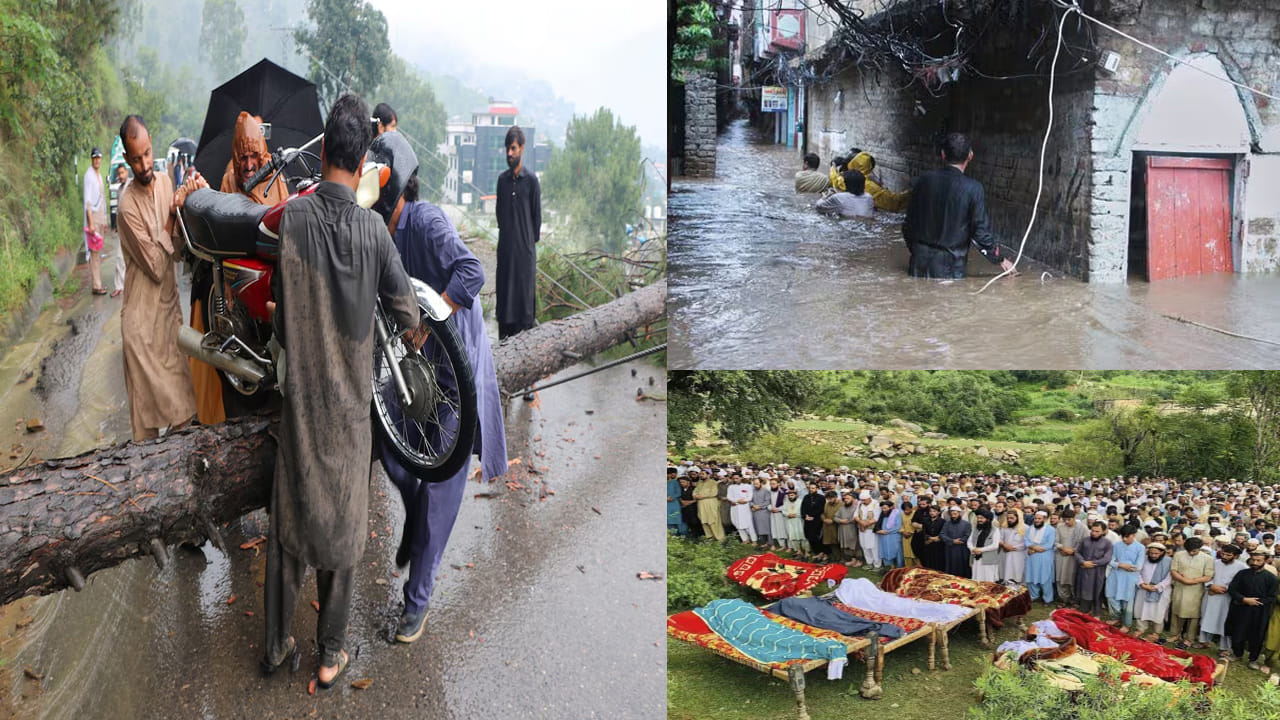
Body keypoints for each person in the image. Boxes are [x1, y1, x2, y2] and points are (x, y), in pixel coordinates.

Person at [260, 94, 420, 687]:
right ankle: (331, 655)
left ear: (324, 151)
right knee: (344, 529)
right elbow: (406, 313)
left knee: (289, 527)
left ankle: (276, 648)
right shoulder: (376, 233)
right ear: (361, 165)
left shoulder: (294, 220)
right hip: (352, 412)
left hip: (299, 406)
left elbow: (278, 320)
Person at [367, 129, 509, 642]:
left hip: (455, 366)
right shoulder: (382, 233)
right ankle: (411, 506)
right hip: (415, 365)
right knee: (385, 433)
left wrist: (433, 319)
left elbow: (472, 273)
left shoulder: (424, 222)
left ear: (396, 187)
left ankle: (417, 602)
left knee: (443, 485)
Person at [115, 116, 202, 441]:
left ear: (152, 145)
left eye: (148, 154)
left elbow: (177, 251)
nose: (144, 164)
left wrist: (188, 204)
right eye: (136, 158)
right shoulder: (127, 207)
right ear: (126, 158)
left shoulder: (166, 182)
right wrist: (169, 216)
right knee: (147, 432)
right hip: (140, 328)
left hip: (168, 320)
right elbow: (153, 263)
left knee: (184, 414)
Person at [901, 132, 1016, 279]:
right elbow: (979, 231)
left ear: (942, 154)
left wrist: (916, 251)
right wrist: (999, 258)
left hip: (918, 265)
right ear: (970, 156)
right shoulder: (974, 188)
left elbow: (908, 224)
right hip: (951, 269)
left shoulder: (922, 181)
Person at [494, 125, 541, 340]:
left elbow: (536, 220)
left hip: (524, 259)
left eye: (513, 148)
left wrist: (524, 245)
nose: (509, 153)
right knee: (504, 314)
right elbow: (500, 217)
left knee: (524, 317)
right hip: (505, 256)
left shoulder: (531, 182)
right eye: (507, 149)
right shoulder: (502, 182)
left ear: (522, 148)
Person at [220, 112, 290, 206]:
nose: (249, 166)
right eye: (243, 158)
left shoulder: (275, 178)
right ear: (236, 159)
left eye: (253, 156)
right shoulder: (229, 181)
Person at [1228, 549, 1279, 671]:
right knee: (1238, 631)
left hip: (1260, 612)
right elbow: (1232, 589)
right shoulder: (1242, 574)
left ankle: (1253, 659)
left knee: (1256, 635)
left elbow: (1272, 597)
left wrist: (1256, 602)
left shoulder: (1272, 578)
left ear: (1265, 561)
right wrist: (1244, 599)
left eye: (1258, 560)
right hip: (1241, 608)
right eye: (1253, 560)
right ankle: (1237, 654)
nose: (1255, 563)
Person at [1168, 535, 1214, 648]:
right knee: (1176, 611)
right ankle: (1175, 634)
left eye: (1194, 551)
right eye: (1189, 551)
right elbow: (1173, 570)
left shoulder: (1208, 558)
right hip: (1180, 586)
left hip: (1196, 590)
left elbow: (1208, 576)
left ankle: (1189, 638)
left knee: (1194, 615)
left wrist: (1192, 581)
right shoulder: (1179, 555)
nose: (1191, 553)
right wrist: (1183, 579)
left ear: (1200, 548)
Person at [1131, 542, 1173, 642]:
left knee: (1159, 611)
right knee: (1141, 608)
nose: (1153, 556)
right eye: (1151, 553)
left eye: (1156, 554)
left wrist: (1157, 587)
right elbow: (1137, 572)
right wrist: (1142, 584)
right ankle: (1141, 628)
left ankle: (1156, 632)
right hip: (1143, 588)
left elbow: (1170, 577)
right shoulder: (1143, 559)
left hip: (1161, 591)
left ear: (1162, 553)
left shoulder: (1169, 561)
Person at [1106, 525, 1144, 629]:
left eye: (1127, 536)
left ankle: (1126, 624)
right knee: (1111, 596)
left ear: (1134, 535)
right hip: (1115, 575)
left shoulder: (1140, 548)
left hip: (1129, 578)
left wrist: (1120, 564)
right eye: (1123, 536)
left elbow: (1138, 566)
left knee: (1127, 600)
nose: (1124, 539)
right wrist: (1121, 565)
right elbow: (1110, 561)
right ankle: (1115, 618)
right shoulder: (1117, 545)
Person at [83, 147, 108, 295]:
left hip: (100, 215)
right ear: (91, 159)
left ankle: (98, 282)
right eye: (94, 158)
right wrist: (91, 223)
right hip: (93, 215)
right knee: (94, 252)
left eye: (99, 158)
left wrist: (104, 221)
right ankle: (96, 285)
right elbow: (88, 201)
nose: (97, 160)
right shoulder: (88, 176)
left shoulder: (98, 175)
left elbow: (102, 199)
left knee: (98, 251)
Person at [1076, 521, 1114, 617]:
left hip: (1098, 572)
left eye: (1097, 531)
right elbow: (1077, 552)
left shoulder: (1107, 543)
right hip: (1084, 570)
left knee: (1097, 591)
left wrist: (1092, 563)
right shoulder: (1085, 540)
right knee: (1084, 590)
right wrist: (1083, 562)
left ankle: (1097, 613)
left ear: (1103, 531)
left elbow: (1107, 558)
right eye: (1092, 530)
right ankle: (1084, 611)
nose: (1094, 533)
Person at [1054, 509, 1085, 606]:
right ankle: (1063, 599)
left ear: (1074, 517)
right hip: (1061, 556)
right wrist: (1062, 548)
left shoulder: (1082, 528)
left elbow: (1085, 543)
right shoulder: (1059, 527)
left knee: (1073, 578)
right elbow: (1055, 541)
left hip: (1075, 558)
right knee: (1061, 577)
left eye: (1069, 519)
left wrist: (1073, 551)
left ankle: (1075, 600)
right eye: (1065, 520)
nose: (1067, 522)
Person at [1025, 511, 1056, 604]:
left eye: (1039, 519)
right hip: (1031, 557)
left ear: (1045, 519)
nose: (1037, 520)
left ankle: (1048, 599)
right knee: (1031, 576)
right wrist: (1031, 547)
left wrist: (1033, 549)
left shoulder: (1050, 530)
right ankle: (1033, 596)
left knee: (1045, 577)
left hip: (1044, 556)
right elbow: (1026, 540)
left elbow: (1049, 544)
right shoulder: (1030, 528)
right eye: (1036, 518)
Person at [108, 164, 128, 298]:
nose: (120, 176)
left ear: (127, 172)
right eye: (119, 174)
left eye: (122, 173)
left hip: (131, 230)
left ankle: (123, 286)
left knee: (126, 258)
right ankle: (119, 286)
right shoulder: (120, 189)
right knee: (120, 258)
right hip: (123, 230)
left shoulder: (131, 187)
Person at [940, 505, 972, 578]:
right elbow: (942, 534)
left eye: (955, 513)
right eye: (952, 513)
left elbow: (968, 535)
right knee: (951, 565)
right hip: (950, 548)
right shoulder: (947, 523)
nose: (953, 515)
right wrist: (952, 541)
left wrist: (960, 541)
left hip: (962, 549)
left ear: (959, 513)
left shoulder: (966, 524)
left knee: (962, 565)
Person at [969, 509, 1000, 582]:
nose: (979, 520)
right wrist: (972, 549)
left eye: (982, 518)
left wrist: (980, 550)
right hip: (976, 558)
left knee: (988, 579)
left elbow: (995, 545)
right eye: (978, 518)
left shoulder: (995, 530)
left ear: (988, 519)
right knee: (976, 578)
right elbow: (969, 541)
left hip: (988, 560)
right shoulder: (975, 529)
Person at [693, 471, 725, 541]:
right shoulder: (699, 483)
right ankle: (710, 537)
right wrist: (695, 495)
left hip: (710, 503)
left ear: (708, 475)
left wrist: (701, 496)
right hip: (701, 504)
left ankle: (720, 538)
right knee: (704, 520)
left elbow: (714, 493)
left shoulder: (713, 483)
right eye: (700, 474)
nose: (701, 475)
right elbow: (695, 491)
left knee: (713, 520)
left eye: (703, 474)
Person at [998, 509, 1028, 586]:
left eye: (1012, 518)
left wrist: (1013, 548)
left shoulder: (1026, 528)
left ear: (1018, 518)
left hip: (1019, 555)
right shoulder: (1004, 527)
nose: (1009, 520)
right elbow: (999, 539)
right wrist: (1004, 545)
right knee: (1006, 574)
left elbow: (1026, 542)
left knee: (1018, 574)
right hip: (1005, 553)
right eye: (1008, 518)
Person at [855, 490, 881, 568]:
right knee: (864, 546)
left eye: (864, 500)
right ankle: (869, 563)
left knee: (873, 547)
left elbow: (876, 518)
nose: (863, 501)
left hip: (871, 529)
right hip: (862, 529)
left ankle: (877, 564)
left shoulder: (876, 504)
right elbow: (855, 515)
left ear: (869, 498)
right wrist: (861, 522)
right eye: (862, 500)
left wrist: (865, 524)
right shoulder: (860, 504)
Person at [801, 483, 827, 560]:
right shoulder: (806, 497)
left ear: (817, 489)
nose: (811, 489)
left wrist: (813, 516)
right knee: (809, 536)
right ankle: (815, 552)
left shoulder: (821, 497)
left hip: (817, 520)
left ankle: (820, 552)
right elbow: (803, 507)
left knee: (816, 537)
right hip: (807, 520)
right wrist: (805, 516)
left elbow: (821, 509)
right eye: (810, 488)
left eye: (813, 488)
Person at [876, 498, 903, 569]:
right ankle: (891, 567)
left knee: (897, 552)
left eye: (885, 508)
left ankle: (899, 568)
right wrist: (879, 530)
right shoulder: (882, 514)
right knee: (885, 551)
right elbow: (878, 524)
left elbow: (898, 526)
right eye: (882, 508)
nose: (883, 510)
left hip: (894, 536)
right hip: (883, 536)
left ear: (890, 507)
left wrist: (887, 531)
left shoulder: (897, 513)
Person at [727, 475, 756, 544]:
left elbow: (750, 496)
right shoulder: (731, 487)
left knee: (748, 523)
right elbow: (729, 497)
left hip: (744, 507)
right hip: (735, 507)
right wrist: (737, 501)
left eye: (737, 478)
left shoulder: (747, 486)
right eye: (734, 478)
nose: (735, 480)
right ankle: (745, 539)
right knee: (737, 523)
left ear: (741, 478)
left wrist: (744, 501)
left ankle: (754, 540)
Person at [835, 492, 860, 567]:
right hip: (842, 529)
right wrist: (840, 521)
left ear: (852, 499)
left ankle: (858, 560)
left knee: (854, 545)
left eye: (848, 498)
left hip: (852, 529)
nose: (846, 500)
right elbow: (835, 517)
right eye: (845, 498)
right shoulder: (841, 508)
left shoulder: (856, 508)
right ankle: (850, 559)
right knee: (845, 545)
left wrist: (848, 521)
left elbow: (856, 518)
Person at [920, 504, 946, 572]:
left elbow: (943, 532)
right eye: (930, 511)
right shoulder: (925, 520)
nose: (932, 513)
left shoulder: (942, 521)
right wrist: (929, 538)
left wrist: (937, 538)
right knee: (928, 561)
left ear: (938, 512)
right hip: (928, 544)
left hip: (939, 545)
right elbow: (923, 532)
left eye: (934, 511)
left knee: (938, 561)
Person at [751, 477, 772, 547]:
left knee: (767, 527)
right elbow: (750, 500)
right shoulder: (752, 491)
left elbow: (768, 501)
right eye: (754, 484)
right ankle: (763, 542)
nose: (755, 485)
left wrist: (759, 506)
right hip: (755, 512)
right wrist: (753, 506)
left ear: (761, 483)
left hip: (764, 512)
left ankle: (770, 542)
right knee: (758, 527)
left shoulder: (766, 491)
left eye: (757, 484)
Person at [900, 501, 918, 568]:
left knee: (915, 554)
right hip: (905, 536)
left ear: (911, 508)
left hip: (914, 536)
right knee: (907, 554)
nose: (906, 512)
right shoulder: (902, 514)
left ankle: (918, 569)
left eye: (907, 510)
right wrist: (902, 531)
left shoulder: (915, 514)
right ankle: (908, 569)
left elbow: (917, 526)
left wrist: (911, 532)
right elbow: (900, 525)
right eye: (904, 510)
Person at [668, 467, 683, 535]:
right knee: (668, 520)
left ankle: (680, 534)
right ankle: (672, 535)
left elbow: (678, 493)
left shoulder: (675, 482)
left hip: (674, 503)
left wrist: (672, 497)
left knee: (675, 519)